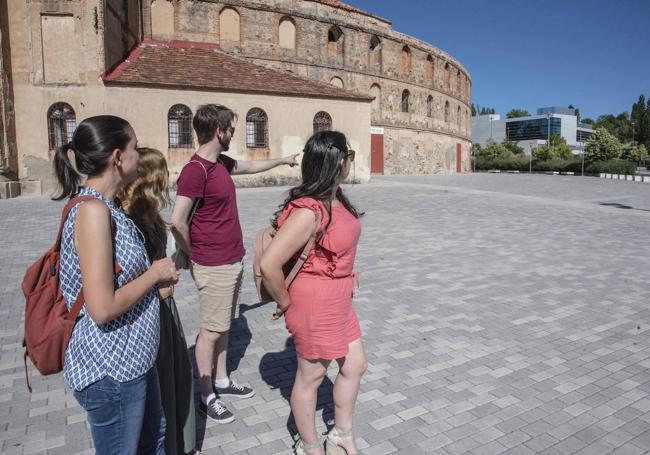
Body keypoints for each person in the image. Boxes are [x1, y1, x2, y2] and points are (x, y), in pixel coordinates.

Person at [53, 115, 179, 454]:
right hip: (112, 369)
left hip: (134, 360)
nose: (139, 156)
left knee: (155, 440)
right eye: (135, 148)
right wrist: (154, 274)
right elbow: (102, 307)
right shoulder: (93, 212)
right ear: (117, 157)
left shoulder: (108, 206)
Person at [170, 104, 298, 423]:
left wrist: (282, 160)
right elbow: (177, 221)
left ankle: (223, 381)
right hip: (212, 263)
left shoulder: (220, 164)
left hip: (230, 259)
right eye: (230, 128)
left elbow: (249, 167)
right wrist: (194, 253)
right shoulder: (195, 171)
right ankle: (205, 394)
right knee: (210, 332)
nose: (233, 133)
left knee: (224, 325)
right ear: (219, 131)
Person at [259, 131, 367, 455]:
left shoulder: (335, 197)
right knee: (312, 378)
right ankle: (309, 445)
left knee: (355, 365)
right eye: (348, 155)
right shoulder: (309, 210)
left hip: (338, 297)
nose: (351, 160)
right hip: (315, 302)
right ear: (335, 163)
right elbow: (269, 263)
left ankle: (340, 435)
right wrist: (285, 300)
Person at [119, 148, 198, 455]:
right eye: (164, 172)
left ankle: (179, 444)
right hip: (147, 309)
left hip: (166, 306)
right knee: (163, 379)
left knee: (176, 375)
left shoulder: (149, 214)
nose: (170, 178)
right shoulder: (129, 219)